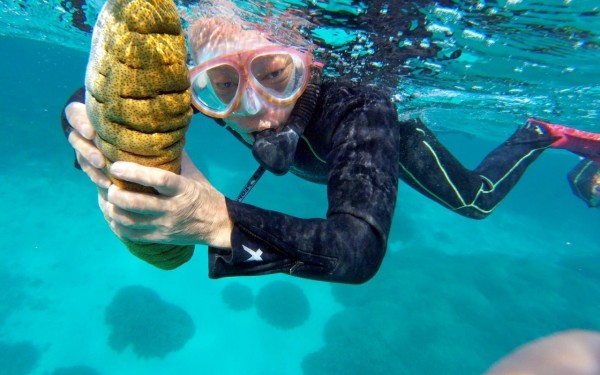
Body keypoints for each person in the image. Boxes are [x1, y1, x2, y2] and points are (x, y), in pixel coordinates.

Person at [62, 16, 600, 284]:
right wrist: (86, 130)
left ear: (308, 60)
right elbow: (101, 93)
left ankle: (538, 134)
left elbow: (356, 250)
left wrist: (215, 219)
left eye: (276, 76)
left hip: (391, 144)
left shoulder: (359, 108)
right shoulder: (208, 93)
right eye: (224, 85)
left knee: (476, 202)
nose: (258, 112)